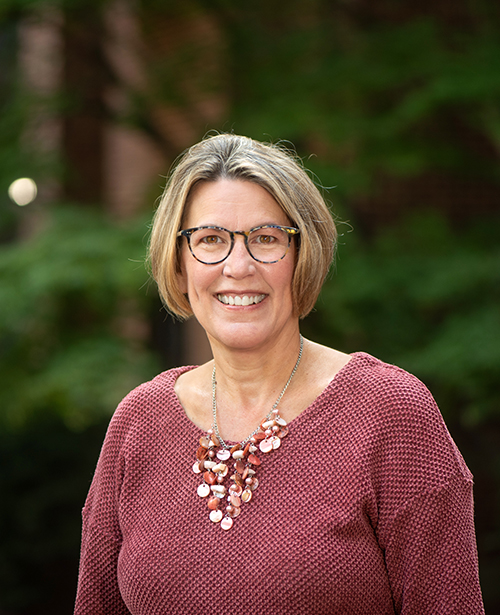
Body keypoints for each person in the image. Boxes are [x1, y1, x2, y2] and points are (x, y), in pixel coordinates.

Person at [74, 133, 484, 614]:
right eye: (210, 240)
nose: (239, 266)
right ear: (180, 264)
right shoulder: (138, 423)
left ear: (302, 256)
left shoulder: (390, 413)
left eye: (266, 239)